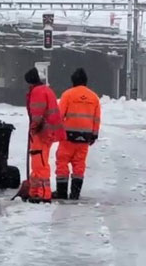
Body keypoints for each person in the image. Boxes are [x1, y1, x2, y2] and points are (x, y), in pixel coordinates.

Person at [54, 68, 101, 200]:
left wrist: (56, 132)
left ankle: (62, 192)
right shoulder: (94, 97)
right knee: (79, 164)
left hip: (67, 136)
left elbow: (59, 115)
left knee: (62, 162)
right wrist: (94, 134)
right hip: (85, 137)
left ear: (73, 81)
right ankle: (75, 193)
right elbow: (96, 118)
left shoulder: (67, 95)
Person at [25, 67, 66, 203]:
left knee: (40, 163)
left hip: (41, 133)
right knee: (38, 162)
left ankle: (43, 194)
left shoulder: (37, 92)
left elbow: (37, 115)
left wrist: (33, 129)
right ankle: (35, 192)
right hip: (47, 132)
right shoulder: (45, 90)